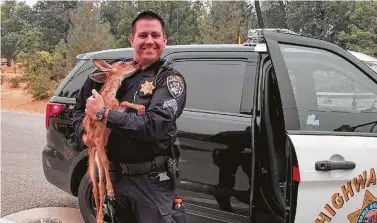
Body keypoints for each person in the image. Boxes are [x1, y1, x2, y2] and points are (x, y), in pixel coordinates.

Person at [73, 11, 187, 223]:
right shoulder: (113, 72)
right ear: (132, 39)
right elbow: (78, 110)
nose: (149, 41)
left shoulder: (169, 80)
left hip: (152, 184)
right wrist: (84, 134)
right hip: (115, 180)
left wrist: (104, 114)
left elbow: (153, 126)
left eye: (155, 35)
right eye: (143, 35)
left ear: (164, 40)